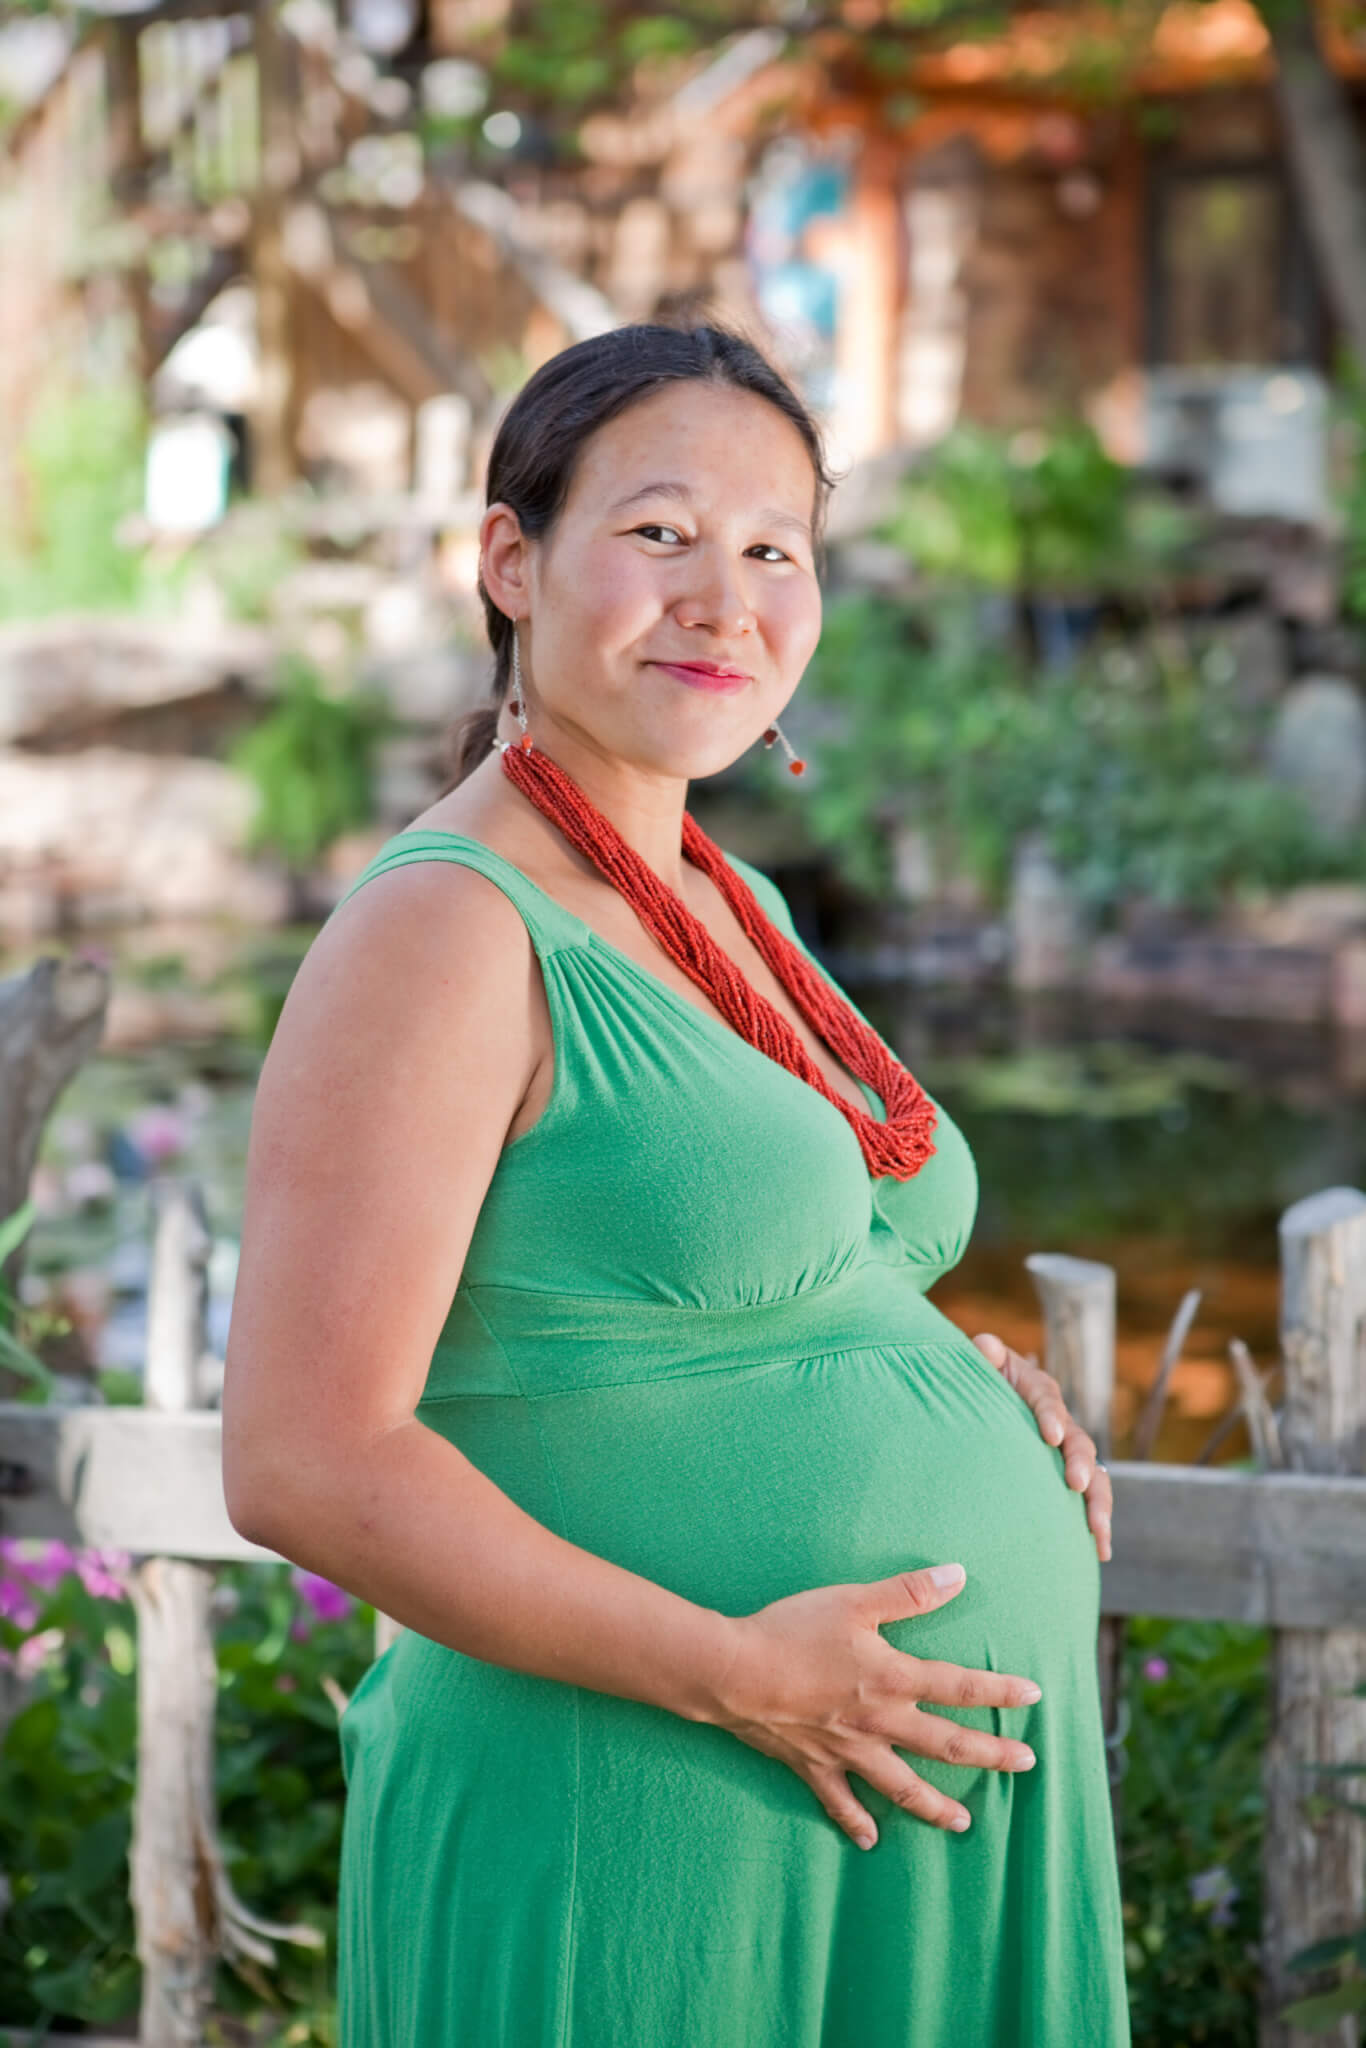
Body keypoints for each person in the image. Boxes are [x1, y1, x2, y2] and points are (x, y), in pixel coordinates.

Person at [221, 320, 1129, 2046]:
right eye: (660, 534)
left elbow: (761, 1274)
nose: (726, 601)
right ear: (512, 560)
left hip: (871, 1808)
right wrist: (741, 1677)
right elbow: (303, 1460)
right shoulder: (442, 929)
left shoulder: (729, 901)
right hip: (646, 1811)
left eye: (775, 549)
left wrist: (957, 1381)